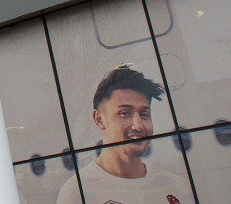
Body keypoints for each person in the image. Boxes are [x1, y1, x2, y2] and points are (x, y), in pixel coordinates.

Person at [56, 66, 194, 204]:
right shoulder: (76, 194)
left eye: (144, 114)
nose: (138, 125)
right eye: (125, 113)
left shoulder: (177, 188)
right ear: (99, 119)